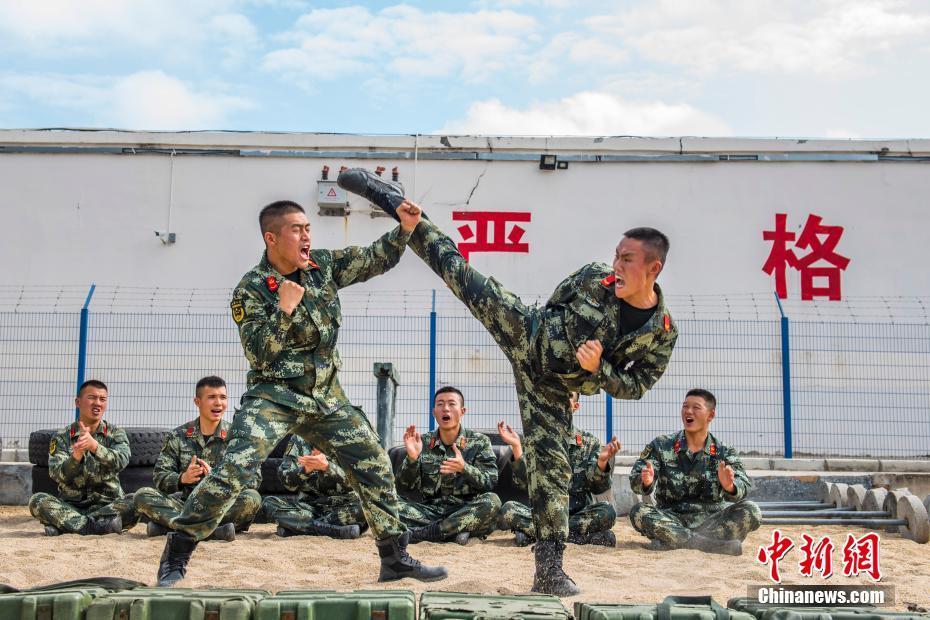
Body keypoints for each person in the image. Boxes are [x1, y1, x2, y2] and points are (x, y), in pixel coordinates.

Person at [338, 169, 677, 595]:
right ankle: (392, 202)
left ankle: (549, 570)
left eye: (628, 259)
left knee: (552, 473)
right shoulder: (594, 277)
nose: (617, 265)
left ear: (654, 267)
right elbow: (558, 302)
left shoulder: (661, 331)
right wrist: (550, 340)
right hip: (525, 329)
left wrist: (598, 372)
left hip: (549, 391)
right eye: (617, 255)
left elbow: (638, 385)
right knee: (458, 272)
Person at [155, 199, 446, 587]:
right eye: (297, 229)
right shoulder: (252, 289)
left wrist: (405, 228)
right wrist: (285, 310)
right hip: (273, 397)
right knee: (235, 468)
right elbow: (260, 353)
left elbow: (373, 258)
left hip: (325, 398)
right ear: (271, 238)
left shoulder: (322, 267)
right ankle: (179, 548)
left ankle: (394, 558)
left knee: (374, 461)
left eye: (308, 227)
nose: (307, 235)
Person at [629, 389, 762, 556]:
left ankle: (675, 541)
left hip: (712, 521)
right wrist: (645, 482)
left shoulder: (723, 451)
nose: (688, 411)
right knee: (639, 512)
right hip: (671, 518)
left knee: (752, 510)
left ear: (710, 415)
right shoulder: (661, 445)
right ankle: (710, 545)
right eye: (685, 406)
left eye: (696, 407)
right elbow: (636, 479)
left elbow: (743, 486)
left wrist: (730, 486)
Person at [134, 376, 261, 542]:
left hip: (222, 507)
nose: (218, 403)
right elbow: (160, 476)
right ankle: (213, 532)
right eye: (211, 397)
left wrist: (218, 477)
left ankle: (174, 528)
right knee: (142, 495)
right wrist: (182, 478)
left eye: (223, 397)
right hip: (186, 506)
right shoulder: (178, 436)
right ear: (197, 401)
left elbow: (254, 479)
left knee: (252, 498)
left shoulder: (238, 438)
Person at [498, 392, 620, 547]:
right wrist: (516, 448)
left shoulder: (590, 443)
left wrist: (602, 463)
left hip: (578, 514)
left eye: (568, 395)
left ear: (576, 406)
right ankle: (582, 537)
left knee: (607, 512)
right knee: (509, 509)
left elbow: (598, 488)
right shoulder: (539, 440)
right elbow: (525, 484)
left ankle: (538, 535)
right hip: (546, 515)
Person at [29, 380, 138, 536]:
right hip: (72, 506)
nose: (98, 403)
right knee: (37, 501)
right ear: (78, 402)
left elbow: (121, 461)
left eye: (102, 399)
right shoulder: (62, 437)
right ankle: (97, 527)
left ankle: (69, 526)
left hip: (107, 505)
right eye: (92, 397)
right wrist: (76, 457)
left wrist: (95, 447)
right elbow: (56, 474)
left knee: (137, 500)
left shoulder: (116, 433)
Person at [395, 386, 501, 545]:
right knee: (388, 501)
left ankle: (430, 533)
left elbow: (490, 482)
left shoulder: (479, 442)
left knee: (492, 501)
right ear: (434, 412)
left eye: (452, 404)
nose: (445, 409)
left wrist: (464, 468)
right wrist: (412, 459)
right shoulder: (422, 442)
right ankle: (453, 532)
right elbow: (405, 487)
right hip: (429, 512)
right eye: (440, 404)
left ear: (462, 411)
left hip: (466, 510)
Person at [262, 434, 366, 539]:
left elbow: (357, 483)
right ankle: (333, 530)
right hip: (309, 508)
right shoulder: (299, 439)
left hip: (342, 506)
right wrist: (306, 469)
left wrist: (328, 467)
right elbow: (288, 483)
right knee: (269, 503)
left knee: (366, 506)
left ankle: (300, 529)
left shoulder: (350, 437)